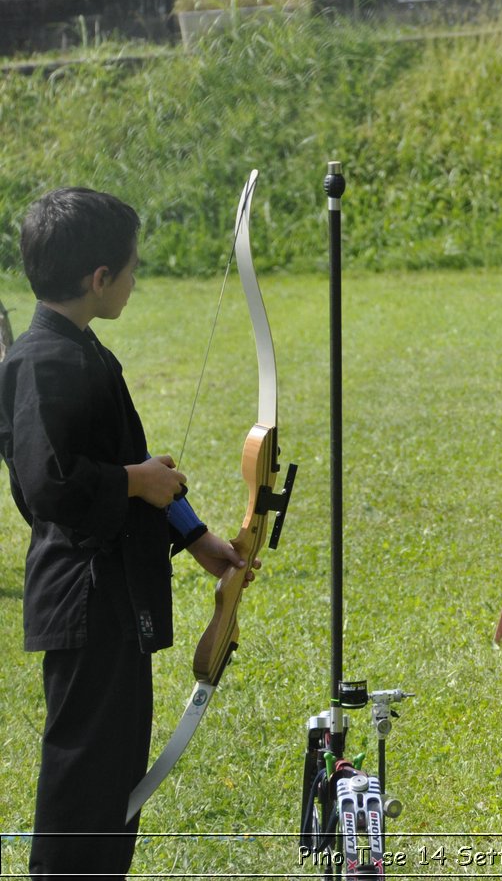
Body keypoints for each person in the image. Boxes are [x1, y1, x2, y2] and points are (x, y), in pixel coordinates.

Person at [0, 188, 249, 878]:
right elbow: (48, 484)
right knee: (84, 769)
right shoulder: (41, 361)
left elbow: (130, 464)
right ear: (98, 278)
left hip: (109, 596)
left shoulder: (82, 351)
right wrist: (135, 482)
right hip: (81, 601)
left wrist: (194, 534)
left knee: (112, 771)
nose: (136, 279)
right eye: (132, 268)